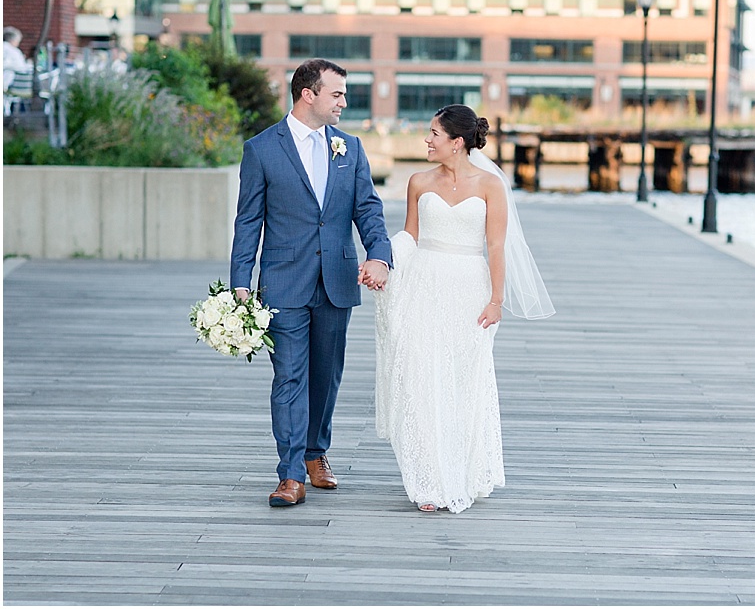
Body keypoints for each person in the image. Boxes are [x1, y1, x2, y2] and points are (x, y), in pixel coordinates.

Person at [374, 105, 554, 514]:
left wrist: (496, 300)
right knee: (421, 376)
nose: (427, 140)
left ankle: (461, 471)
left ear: (456, 142)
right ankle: (429, 479)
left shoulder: (491, 186)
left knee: (462, 379)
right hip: (424, 283)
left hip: (470, 289)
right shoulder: (418, 182)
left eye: (433, 134)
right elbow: (410, 236)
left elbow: (495, 245)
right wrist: (384, 261)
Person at [230, 59, 392, 507]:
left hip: (337, 280)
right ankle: (290, 472)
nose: (344, 101)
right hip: (283, 281)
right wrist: (240, 283)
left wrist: (379, 253)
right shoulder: (262, 149)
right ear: (309, 94)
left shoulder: (351, 148)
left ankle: (316, 452)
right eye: (337, 93)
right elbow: (247, 223)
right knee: (289, 376)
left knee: (327, 376)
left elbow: (368, 210)